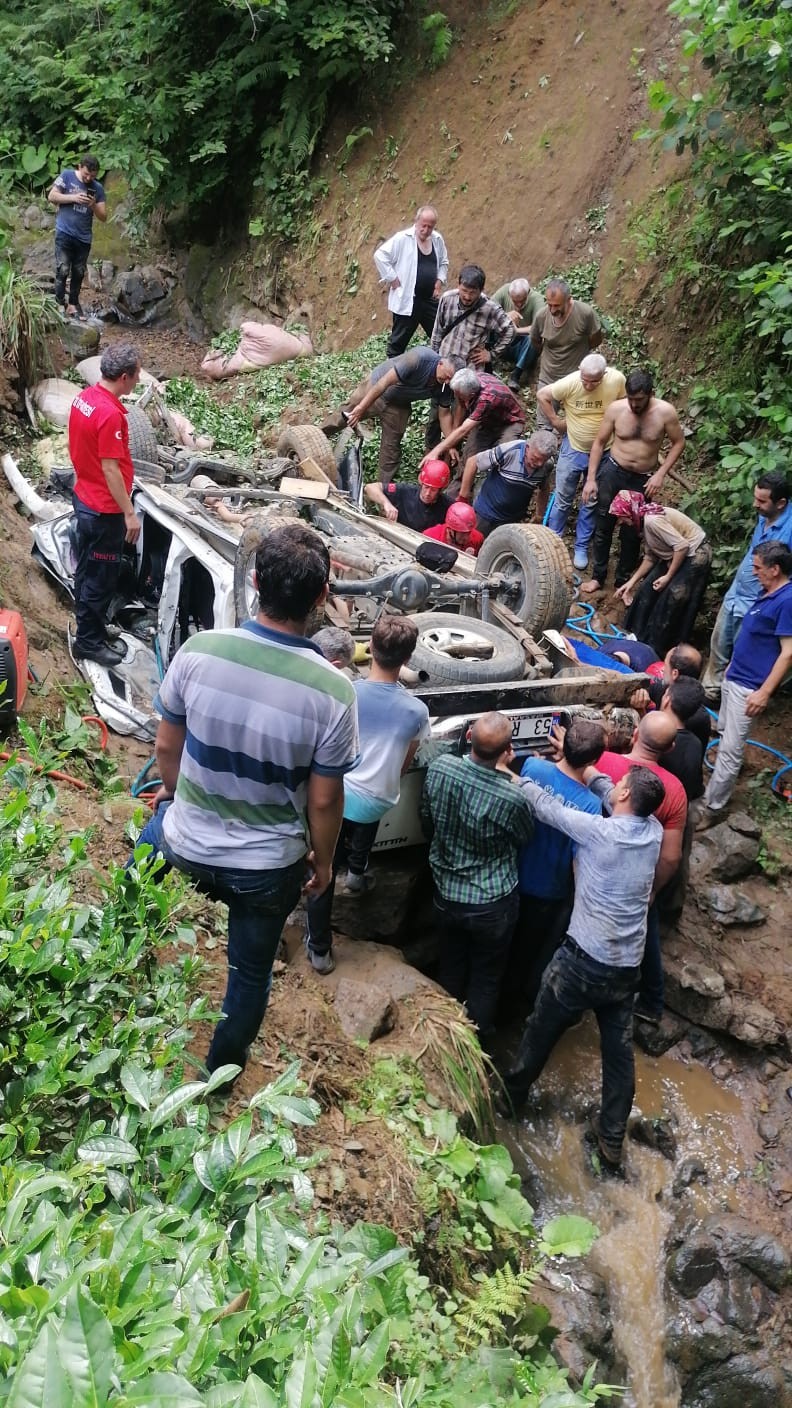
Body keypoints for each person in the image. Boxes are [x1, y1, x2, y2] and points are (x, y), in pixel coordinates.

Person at [132, 523, 359, 1077]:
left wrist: (172, 787)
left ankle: (119, 978)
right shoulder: (334, 691)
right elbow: (326, 803)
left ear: (255, 582)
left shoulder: (201, 650)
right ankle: (218, 1077)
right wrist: (324, 864)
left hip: (183, 841)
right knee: (250, 975)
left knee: (134, 887)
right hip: (265, 867)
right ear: (322, 598)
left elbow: (167, 743)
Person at [503, 764, 665, 1178]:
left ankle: (510, 1098)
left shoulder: (599, 831)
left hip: (581, 963)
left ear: (626, 796)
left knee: (541, 1029)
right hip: (626, 968)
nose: (616, 787)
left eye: (621, 785)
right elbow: (615, 793)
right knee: (617, 1054)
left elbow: (547, 808)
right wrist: (592, 772)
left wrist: (514, 775)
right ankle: (610, 1138)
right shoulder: (653, 832)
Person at [305, 616, 430, 974]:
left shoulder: (347, 692)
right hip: (378, 799)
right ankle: (358, 873)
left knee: (323, 865)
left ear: (370, 649)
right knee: (370, 811)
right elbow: (407, 762)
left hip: (338, 795)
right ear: (407, 660)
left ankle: (320, 949)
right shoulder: (417, 711)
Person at [420, 712, 536, 1045]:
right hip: (492, 901)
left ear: (469, 735)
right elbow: (524, 837)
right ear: (507, 751)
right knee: (486, 977)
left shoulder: (440, 769)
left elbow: (426, 817)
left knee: (451, 967)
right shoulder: (512, 797)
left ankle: (444, 1038)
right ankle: (478, 1042)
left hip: (446, 890)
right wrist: (509, 777)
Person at [595, 712, 687, 1025]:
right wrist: (652, 891)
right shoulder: (673, 789)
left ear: (634, 734)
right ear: (671, 747)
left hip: (594, 866)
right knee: (645, 933)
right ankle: (651, 1003)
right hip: (637, 877)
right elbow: (671, 857)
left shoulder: (603, 762)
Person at [512, 718, 606, 1009]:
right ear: (594, 760)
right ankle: (516, 1008)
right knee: (526, 952)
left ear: (562, 744)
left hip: (512, 874)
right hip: (548, 889)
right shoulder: (592, 805)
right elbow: (581, 859)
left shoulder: (532, 768)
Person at [702, 541, 792, 822]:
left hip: (750, 687)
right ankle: (722, 776)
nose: (753, 573)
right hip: (735, 676)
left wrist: (764, 692)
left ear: (775, 569)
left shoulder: (787, 601)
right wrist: (731, 664)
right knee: (724, 732)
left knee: (731, 749)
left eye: (757, 568)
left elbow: (788, 652)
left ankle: (712, 807)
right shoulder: (769, 593)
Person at [67, 342, 142, 666]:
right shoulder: (110, 414)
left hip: (85, 496)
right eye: (137, 375)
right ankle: (88, 643)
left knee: (86, 570)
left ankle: (91, 626)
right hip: (103, 510)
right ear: (124, 377)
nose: (138, 380)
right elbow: (111, 468)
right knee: (100, 578)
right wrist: (129, 513)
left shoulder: (84, 398)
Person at [580, 370, 686, 594]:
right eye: (630, 399)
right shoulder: (617, 409)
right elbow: (599, 443)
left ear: (651, 394)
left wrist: (660, 473)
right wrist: (591, 479)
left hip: (642, 478)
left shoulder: (665, 413)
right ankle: (598, 575)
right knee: (603, 524)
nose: (634, 404)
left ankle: (622, 581)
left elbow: (678, 442)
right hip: (614, 470)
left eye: (639, 400)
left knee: (633, 531)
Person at [702, 472, 792, 699]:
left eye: (762, 501)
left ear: (781, 503)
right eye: (756, 498)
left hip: (759, 601)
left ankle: (741, 698)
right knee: (719, 642)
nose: (755, 505)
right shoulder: (765, 516)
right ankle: (710, 693)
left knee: (745, 653)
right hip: (737, 593)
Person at [321, 347, 463, 484]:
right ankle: (312, 436)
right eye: (447, 377)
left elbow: (444, 415)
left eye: (451, 380)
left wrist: (450, 445)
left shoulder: (446, 386)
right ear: (441, 363)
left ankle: (382, 489)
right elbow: (384, 383)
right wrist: (360, 408)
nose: (447, 382)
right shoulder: (418, 359)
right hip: (375, 389)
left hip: (399, 404)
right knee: (343, 417)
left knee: (391, 448)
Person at [540, 354, 626, 571]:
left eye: (594, 381)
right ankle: (554, 540)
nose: (588, 385)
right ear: (579, 370)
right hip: (574, 448)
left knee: (591, 500)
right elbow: (543, 395)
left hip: (605, 450)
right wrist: (555, 421)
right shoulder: (570, 383)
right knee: (563, 497)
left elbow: (625, 403)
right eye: (584, 379)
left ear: (603, 376)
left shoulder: (616, 380)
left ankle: (580, 546)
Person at [611, 492, 711, 656]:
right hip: (676, 553)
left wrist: (668, 577)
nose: (620, 522)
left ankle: (656, 648)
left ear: (631, 511)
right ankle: (637, 637)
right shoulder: (643, 523)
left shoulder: (652, 521)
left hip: (696, 552)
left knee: (671, 598)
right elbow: (650, 557)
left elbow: (682, 546)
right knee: (646, 589)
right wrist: (631, 582)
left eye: (621, 517)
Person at [373, 206, 449, 358]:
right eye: (423, 225)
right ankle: (392, 371)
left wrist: (439, 281)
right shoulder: (402, 238)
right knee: (398, 342)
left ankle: (442, 368)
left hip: (429, 299)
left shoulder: (437, 239)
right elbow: (380, 255)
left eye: (430, 227)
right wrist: (392, 278)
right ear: (416, 222)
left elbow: (444, 262)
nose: (426, 230)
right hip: (408, 299)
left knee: (442, 335)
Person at [422, 367, 525, 472]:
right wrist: (452, 443)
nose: (456, 397)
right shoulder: (467, 380)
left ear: (471, 395)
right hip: (487, 419)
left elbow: (464, 430)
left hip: (510, 422)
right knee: (468, 457)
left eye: (460, 396)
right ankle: (457, 486)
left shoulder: (486, 399)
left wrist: (436, 451)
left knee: (502, 456)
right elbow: (461, 410)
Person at [529, 278, 602, 426]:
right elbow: (535, 341)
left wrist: (581, 351)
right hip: (549, 376)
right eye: (549, 305)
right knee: (543, 424)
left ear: (569, 300)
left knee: (580, 423)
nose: (553, 310)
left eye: (557, 305)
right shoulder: (542, 316)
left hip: (577, 378)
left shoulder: (585, 313)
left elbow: (596, 338)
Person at [457, 429, 557, 535]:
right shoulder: (510, 451)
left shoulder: (547, 465)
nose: (539, 464)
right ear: (527, 448)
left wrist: (539, 516)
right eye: (535, 459)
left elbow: (544, 488)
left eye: (543, 460)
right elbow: (473, 462)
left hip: (512, 520)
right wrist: (463, 496)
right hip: (486, 514)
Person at [47, 154, 107, 319]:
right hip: (64, 232)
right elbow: (52, 196)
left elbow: (103, 217)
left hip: (83, 237)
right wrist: (73, 197)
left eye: (92, 176)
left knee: (79, 272)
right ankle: (59, 303)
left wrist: (93, 204)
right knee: (62, 268)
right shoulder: (67, 175)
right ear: (80, 167)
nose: (88, 178)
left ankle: (73, 304)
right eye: (86, 174)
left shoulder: (98, 188)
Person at [430, 264, 516, 369]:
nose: (467, 296)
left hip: (470, 368)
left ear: (481, 290)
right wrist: (434, 359)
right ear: (458, 285)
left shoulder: (489, 308)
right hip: (445, 362)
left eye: (472, 293)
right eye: (464, 291)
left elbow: (510, 330)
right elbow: (437, 331)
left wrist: (491, 354)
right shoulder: (447, 299)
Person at [364, 458, 451, 531]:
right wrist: (386, 503)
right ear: (421, 483)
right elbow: (370, 488)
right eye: (426, 487)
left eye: (433, 490)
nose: (428, 493)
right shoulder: (405, 491)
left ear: (440, 490)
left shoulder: (448, 505)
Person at [491, 278, 544, 389]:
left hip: (521, 346)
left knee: (533, 339)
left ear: (528, 294)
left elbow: (538, 328)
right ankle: (490, 363)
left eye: (522, 301)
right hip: (502, 339)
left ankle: (516, 375)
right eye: (515, 301)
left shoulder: (537, 299)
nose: (519, 305)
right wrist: (505, 316)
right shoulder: (504, 290)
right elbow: (488, 311)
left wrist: (517, 330)